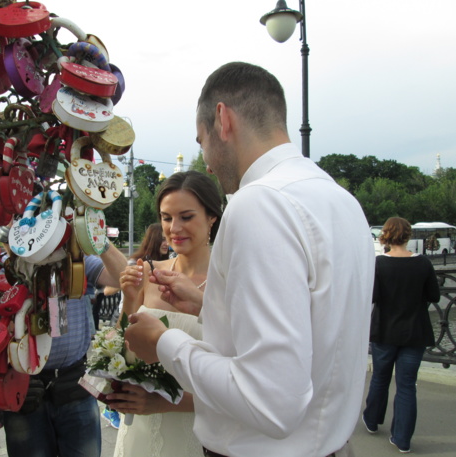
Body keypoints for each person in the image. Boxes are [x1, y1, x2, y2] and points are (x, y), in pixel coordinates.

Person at [124, 62, 376, 457]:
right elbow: (314, 326)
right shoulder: (341, 202)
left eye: (202, 139)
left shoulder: (258, 203)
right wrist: (211, 306)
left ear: (222, 120)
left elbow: (272, 402)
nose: (205, 159)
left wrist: (163, 342)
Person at [107, 171, 223, 457]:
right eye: (166, 217)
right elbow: (121, 351)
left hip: (196, 432)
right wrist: (130, 302)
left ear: (212, 218)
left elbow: (240, 385)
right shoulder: (149, 271)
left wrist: (165, 402)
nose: (174, 228)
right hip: (139, 431)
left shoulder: (229, 282)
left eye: (186, 217)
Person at [3, 241, 126, 457]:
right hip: (23, 389)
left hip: (73, 384)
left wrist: (94, 234)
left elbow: (123, 278)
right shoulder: (6, 267)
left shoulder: (75, 260)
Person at [362, 217, 440, 454]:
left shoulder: (379, 264)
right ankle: (402, 439)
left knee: (380, 379)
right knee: (407, 385)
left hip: (384, 331)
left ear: (384, 236)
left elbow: (372, 296)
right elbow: (435, 296)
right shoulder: (424, 263)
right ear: (408, 236)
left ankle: (373, 420)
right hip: (414, 332)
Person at [101, 222, 171, 430]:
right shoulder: (136, 262)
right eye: (163, 239)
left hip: (150, 321)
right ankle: (111, 409)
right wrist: (127, 286)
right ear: (154, 240)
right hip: (130, 313)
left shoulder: (168, 264)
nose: (167, 243)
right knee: (122, 363)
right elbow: (107, 290)